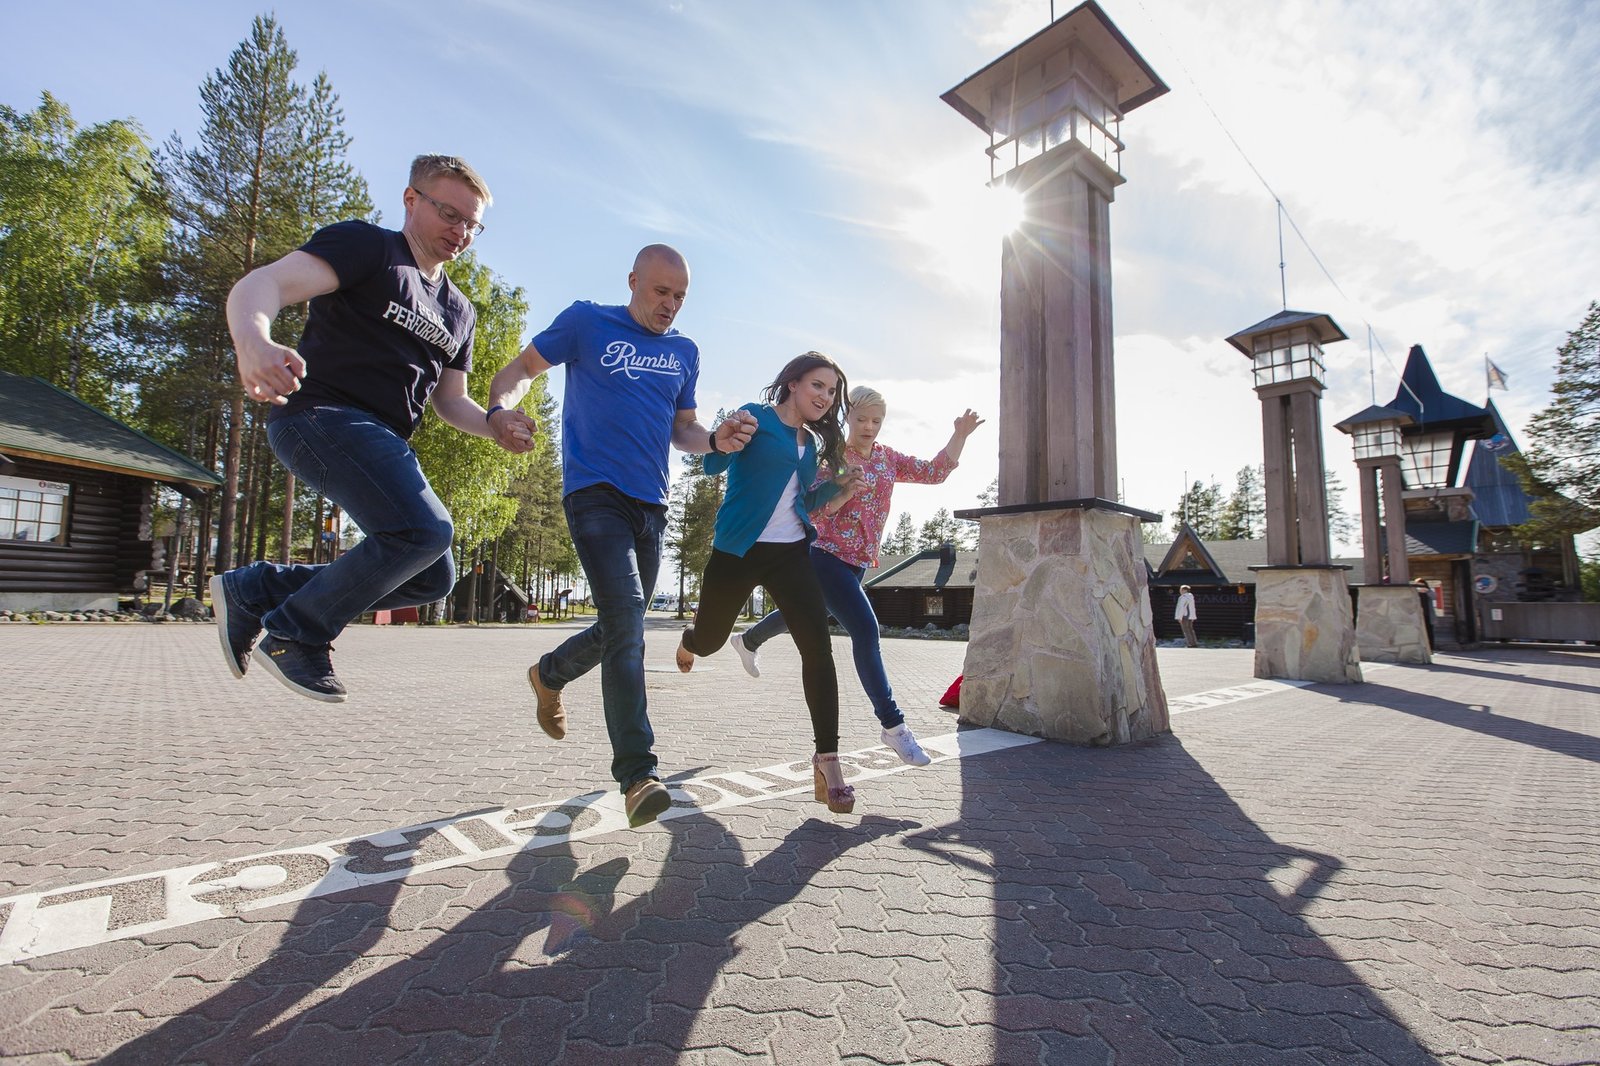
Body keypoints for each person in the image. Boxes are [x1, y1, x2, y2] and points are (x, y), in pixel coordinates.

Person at [211, 155, 527, 703]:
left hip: (383, 438)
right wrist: (254, 342)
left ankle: (255, 590)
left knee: (432, 577)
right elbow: (262, 285)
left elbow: (451, 402)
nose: (461, 232)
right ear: (411, 200)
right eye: (450, 214)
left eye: (473, 225)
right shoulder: (368, 249)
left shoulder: (459, 310)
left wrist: (494, 424)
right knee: (424, 533)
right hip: (321, 416)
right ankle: (295, 633)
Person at [484, 245, 756, 828]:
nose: (670, 306)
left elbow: (684, 429)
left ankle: (549, 673)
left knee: (617, 624)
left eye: (681, 297)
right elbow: (518, 371)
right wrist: (499, 410)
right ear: (633, 280)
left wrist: (717, 441)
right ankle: (637, 773)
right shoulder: (586, 322)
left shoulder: (685, 352)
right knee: (629, 619)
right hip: (594, 493)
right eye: (661, 292)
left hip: (651, 506)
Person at [729, 386, 984, 767]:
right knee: (866, 631)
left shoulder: (887, 458)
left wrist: (959, 436)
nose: (869, 427)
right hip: (824, 554)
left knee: (807, 610)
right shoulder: (830, 458)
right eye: (862, 418)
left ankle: (748, 640)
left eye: (876, 420)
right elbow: (805, 510)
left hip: (858, 561)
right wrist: (841, 496)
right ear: (848, 416)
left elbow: (934, 473)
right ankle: (894, 726)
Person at [674, 353, 862, 814]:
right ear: (793, 384)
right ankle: (690, 639)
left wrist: (838, 491)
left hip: (790, 553)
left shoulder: (811, 444)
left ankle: (829, 763)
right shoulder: (755, 418)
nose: (825, 397)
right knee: (713, 640)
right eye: (818, 385)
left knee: (818, 649)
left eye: (832, 391)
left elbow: (802, 501)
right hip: (738, 549)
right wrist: (724, 439)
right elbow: (712, 467)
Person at [1414, 578, 1436, 650]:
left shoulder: (1428, 591)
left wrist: (1427, 591)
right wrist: (1417, 590)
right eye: (1419, 585)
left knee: (1429, 631)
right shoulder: (1415, 591)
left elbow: (1434, 597)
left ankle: (1431, 648)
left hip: (1427, 614)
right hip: (1418, 614)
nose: (1421, 587)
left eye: (1422, 585)